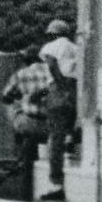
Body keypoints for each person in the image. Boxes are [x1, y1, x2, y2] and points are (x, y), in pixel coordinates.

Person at [0, 44, 55, 199]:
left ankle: (18, 147)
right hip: (51, 125)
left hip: (30, 124)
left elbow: (6, 96)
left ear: (26, 59)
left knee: (15, 110)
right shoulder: (52, 72)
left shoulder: (21, 74)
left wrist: (21, 97)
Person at [38, 17, 82, 189]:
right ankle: (72, 156)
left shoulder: (50, 47)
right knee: (71, 129)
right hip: (74, 90)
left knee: (56, 136)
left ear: (53, 34)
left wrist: (61, 84)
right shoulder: (76, 48)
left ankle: (56, 178)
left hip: (58, 90)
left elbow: (51, 64)